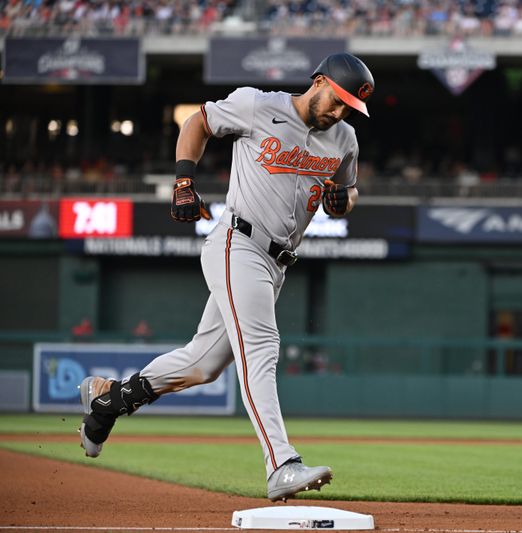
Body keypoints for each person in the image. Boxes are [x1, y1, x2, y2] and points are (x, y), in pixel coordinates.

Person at [77, 52, 374, 502]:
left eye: (349, 107)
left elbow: (347, 192)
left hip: (277, 264)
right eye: (338, 100)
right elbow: (197, 122)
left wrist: (341, 201)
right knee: (262, 346)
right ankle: (281, 464)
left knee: (202, 364)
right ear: (318, 82)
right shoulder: (258, 105)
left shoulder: (344, 139)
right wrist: (183, 181)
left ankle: (109, 401)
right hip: (239, 243)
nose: (340, 111)